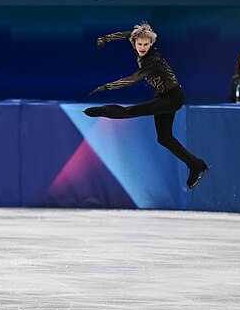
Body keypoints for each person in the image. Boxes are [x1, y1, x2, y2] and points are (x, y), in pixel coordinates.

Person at [83, 22, 209, 190]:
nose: (142, 47)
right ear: (135, 42)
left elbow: (132, 79)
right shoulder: (134, 40)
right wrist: (105, 39)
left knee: (132, 111)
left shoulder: (152, 62)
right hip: (163, 94)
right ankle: (196, 164)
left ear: (152, 44)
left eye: (146, 44)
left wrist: (107, 87)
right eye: (140, 44)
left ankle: (100, 111)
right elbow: (125, 34)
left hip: (173, 97)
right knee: (164, 138)